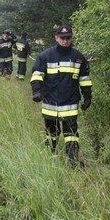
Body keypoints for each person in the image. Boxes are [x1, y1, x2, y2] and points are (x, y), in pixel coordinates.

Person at [30, 24, 92, 167]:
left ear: (71, 38)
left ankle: (73, 161)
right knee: (51, 133)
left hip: (70, 103)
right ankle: (49, 157)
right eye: (62, 38)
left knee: (71, 134)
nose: (65, 40)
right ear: (56, 38)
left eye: (68, 38)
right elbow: (37, 75)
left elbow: (84, 79)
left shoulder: (78, 58)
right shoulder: (45, 56)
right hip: (50, 103)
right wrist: (36, 91)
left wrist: (87, 96)